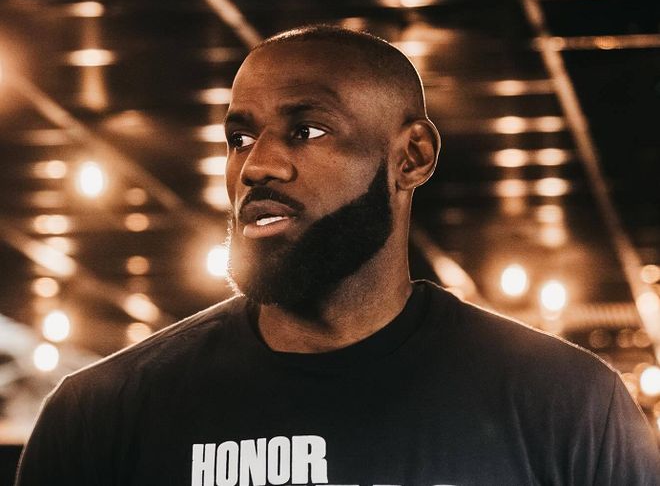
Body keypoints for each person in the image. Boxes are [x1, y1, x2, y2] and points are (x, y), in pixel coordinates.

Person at [15, 25, 660, 486]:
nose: (257, 165)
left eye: (308, 130)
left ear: (411, 158)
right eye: (239, 137)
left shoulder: (565, 403)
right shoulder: (101, 415)